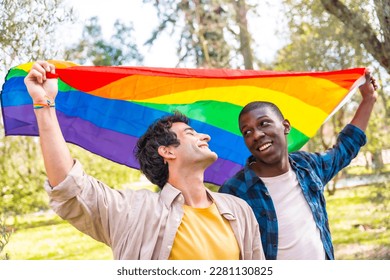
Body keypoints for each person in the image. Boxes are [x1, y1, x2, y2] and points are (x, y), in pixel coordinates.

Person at [24, 61, 264, 260]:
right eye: (191, 133)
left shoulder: (239, 211)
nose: (206, 136)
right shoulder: (134, 212)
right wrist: (44, 104)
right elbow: (69, 186)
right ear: (168, 152)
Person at [219, 69, 378, 260]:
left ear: (285, 126)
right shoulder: (234, 191)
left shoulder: (308, 167)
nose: (256, 135)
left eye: (263, 124)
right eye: (247, 132)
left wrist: (368, 98)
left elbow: (345, 149)